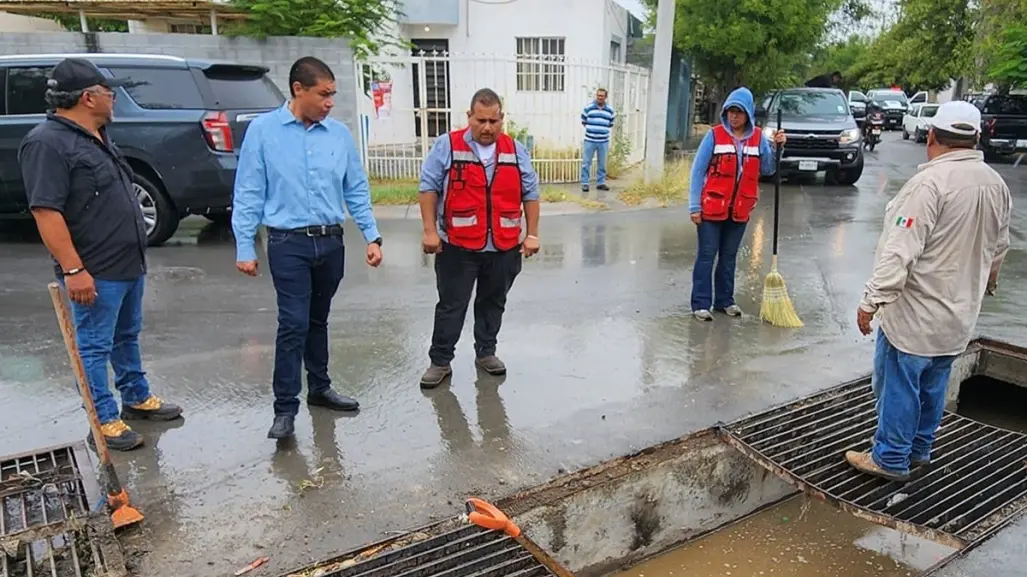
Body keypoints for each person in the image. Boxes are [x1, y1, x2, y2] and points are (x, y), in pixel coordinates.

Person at [18, 58, 183, 451]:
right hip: (94, 269)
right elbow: (46, 211)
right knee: (93, 346)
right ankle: (104, 418)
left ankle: (136, 396)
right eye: (109, 93)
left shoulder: (98, 135)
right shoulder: (46, 143)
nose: (114, 98)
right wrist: (74, 269)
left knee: (127, 335)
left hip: (127, 263)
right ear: (88, 97)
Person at [847, 101, 1012, 482]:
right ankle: (919, 450)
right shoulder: (995, 184)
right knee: (934, 384)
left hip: (915, 317)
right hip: (958, 316)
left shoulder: (929, 185)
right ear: (976, 138)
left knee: (898, 386)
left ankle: (889, 457)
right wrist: (986, 284)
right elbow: (998, 248)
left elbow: (899, 251)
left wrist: (871, 302)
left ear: (932, 136)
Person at [232, 56, 384, 440]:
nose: (330, 102)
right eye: (324, 94)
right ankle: (285, 408)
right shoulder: (264, 133)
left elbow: (355, 188)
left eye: (333, 94)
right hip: (288, 243)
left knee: (318, 319)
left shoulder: (338, 135)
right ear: (298, 90)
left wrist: (371, 235)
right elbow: (249, 191)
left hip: (330, 242)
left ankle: (320, 388)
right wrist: (244, 246)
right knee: (294, 323)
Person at [417, 88, 541, 389]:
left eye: (493, 121)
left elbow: (531, 193)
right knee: (451, 304)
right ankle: (440, 361)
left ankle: (486, 353)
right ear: (469, 117)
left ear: (502, 119)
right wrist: (430, 230)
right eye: (481, 120)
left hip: (503, 245)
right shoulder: (448, 145)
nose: (487, 127)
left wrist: (532, 234)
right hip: (458, 245)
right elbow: (428, 187)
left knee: (493, 302)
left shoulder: (515, 149)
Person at [688, 87, 786, 321]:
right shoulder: (714, 135)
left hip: (740, 210)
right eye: (731, 111)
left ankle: (725, 301)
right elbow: (697, 171)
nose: (734, 116)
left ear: (748, 114)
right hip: (711, 207)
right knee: (706, 255)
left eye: (739, 112)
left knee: (729, 257)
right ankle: (701, 304)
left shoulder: (758, 138)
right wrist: (694, 206)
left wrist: (777, 147)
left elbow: (769, 169)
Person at [580, 88, 616, 193]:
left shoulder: (610, 110)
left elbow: (611, 123)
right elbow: (583, 121)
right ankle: (585, 183)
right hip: (590, 140)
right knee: (586, 162)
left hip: (603, 141)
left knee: (602, 163)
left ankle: (601, 183)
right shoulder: (588, 108)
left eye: (602, 96)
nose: (599, 97)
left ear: (605, 97)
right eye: (598, 95)